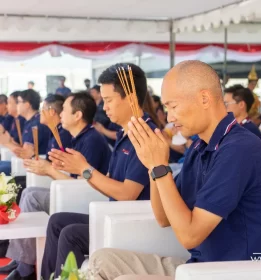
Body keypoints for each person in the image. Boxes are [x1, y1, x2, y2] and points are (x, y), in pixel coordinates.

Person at [89, 60, 261, 280]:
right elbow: (163, 218)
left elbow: (190, 236)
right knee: (102, 260)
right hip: (198, 267)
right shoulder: (199, 148)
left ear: (204, 98)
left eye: (173, 106)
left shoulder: (239, 149)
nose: (169, 117)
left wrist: (161, 167)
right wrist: (152, 165)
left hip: (234, 272)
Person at [40, 63, 157, 280]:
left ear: (130, 98)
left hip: (134, 222)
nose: (104, 107)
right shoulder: (126, 133)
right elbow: (111, 183)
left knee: (70, 234)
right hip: (115, 215)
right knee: (57, 221)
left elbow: (127, 194)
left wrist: (85, 169)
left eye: (109, 100)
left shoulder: (145, 135)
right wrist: (80, 168)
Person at [1, 93, 111, 280]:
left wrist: (49, 170)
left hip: (89, 197)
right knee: (29, 191)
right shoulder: (78, 137)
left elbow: (86, 183)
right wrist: (48, 168)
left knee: (31, 195)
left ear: (77, 115)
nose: (59, 116)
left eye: (64, 111)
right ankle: (23, 261)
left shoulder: (91, 140)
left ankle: (24, 265)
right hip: (75, 191)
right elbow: (72, 174)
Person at [0, 89, 50, 175]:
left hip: (32, 169)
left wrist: (7, 143)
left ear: (27, 105)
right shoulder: (30, 121)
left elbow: (26, 154)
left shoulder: (36, 124)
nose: (16, 105)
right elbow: (22, 147)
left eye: (18, 102)